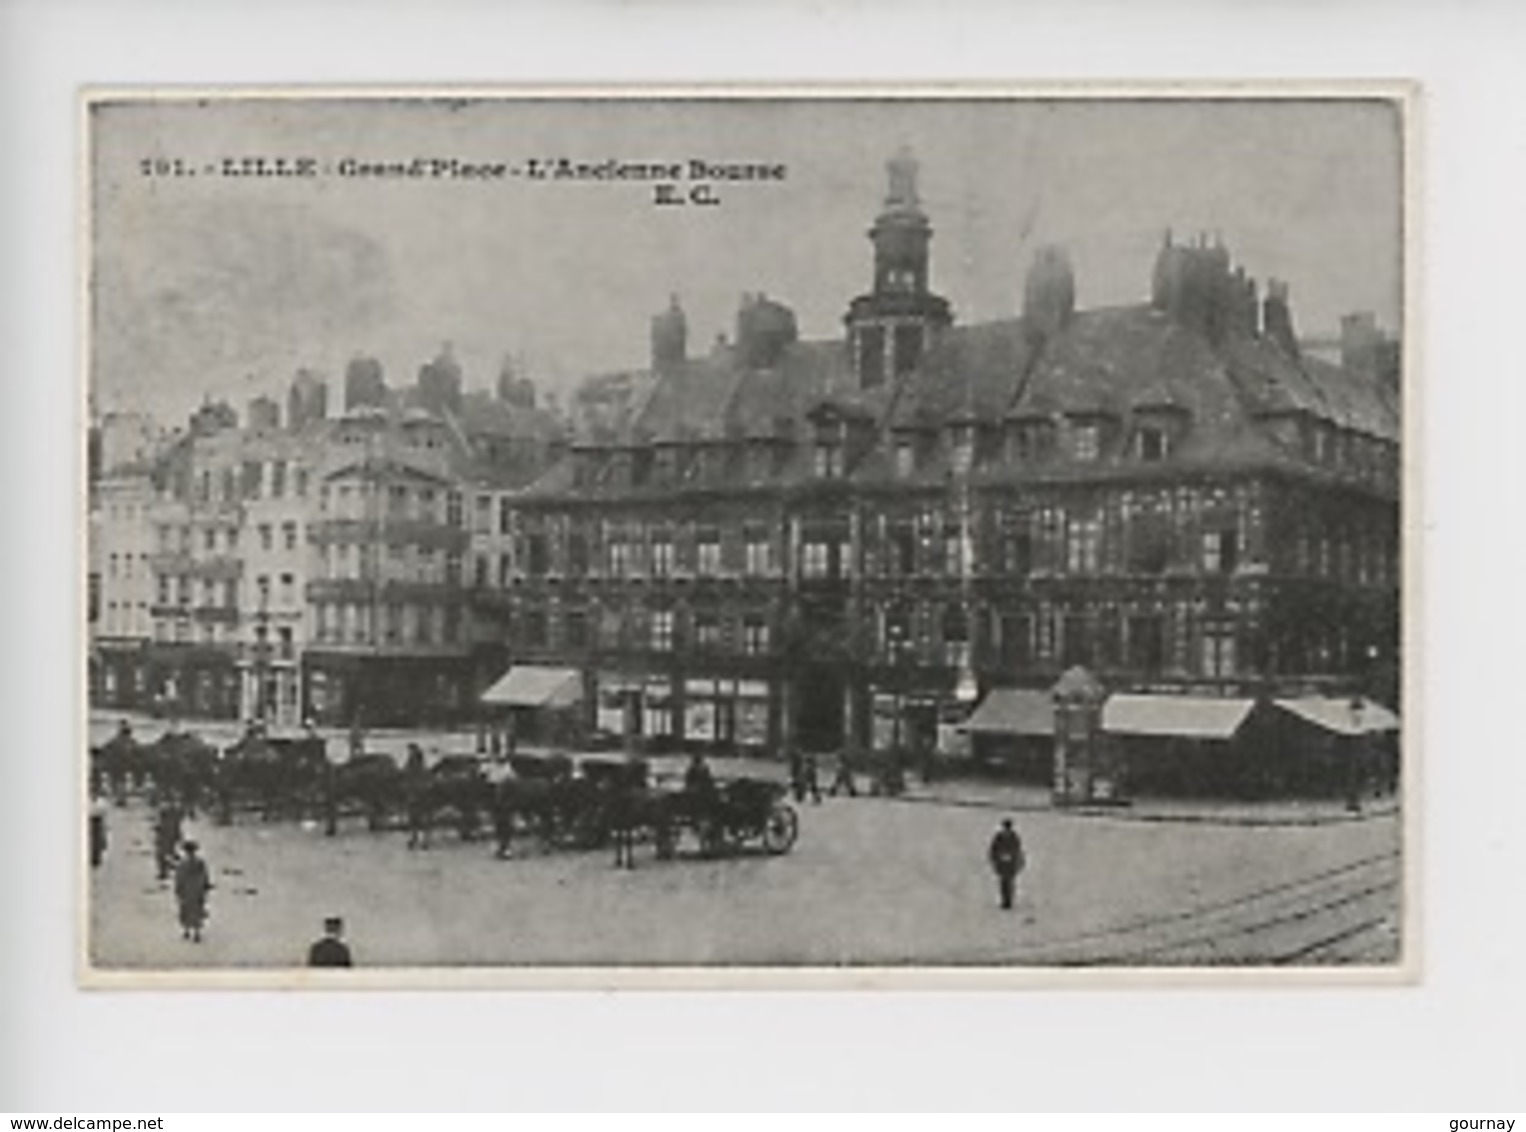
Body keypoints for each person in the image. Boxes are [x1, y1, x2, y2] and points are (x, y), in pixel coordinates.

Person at [173, 840, 213, 942]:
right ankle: (196, 932)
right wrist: (205, 885)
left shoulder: (182, 863)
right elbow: (204, 875)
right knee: (196, 909)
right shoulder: (199, 862)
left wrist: (178, 888)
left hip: (188, 889)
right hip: (197, 888)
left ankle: (187, 930)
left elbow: (179, 877)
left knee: (187, 909)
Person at [987, 818, 1026, 911]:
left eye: (1007, 828)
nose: (1006, 830)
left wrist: (1017, 860)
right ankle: (1004, 900)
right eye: (1005, 828)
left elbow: (1017, 849)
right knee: (1003, 882)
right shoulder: (998, 837)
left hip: (1011, 864)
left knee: (1010, 882)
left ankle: (1009, 900)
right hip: (1002, 864)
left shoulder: (1014, 837)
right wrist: (995, 859)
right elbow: (993, 849)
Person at [153, 800, 184, 881]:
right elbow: (177, 827)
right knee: (168, 854)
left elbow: (158, 826)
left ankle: (165, 871)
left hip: (165, 837)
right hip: (169, 837)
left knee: (162, 855)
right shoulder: (173, 816)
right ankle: (167, 869)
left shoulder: (166, 817)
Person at [89, 792, 109, 868]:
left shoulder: (102, 802)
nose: (94, 795)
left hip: (99, 821)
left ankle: (97, 857)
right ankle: (93, 857)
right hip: (91, 821)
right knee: (92, 840)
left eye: (95, 794)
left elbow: (105, 813)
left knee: (99, 840)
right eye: (93, 794)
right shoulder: (88, 801)